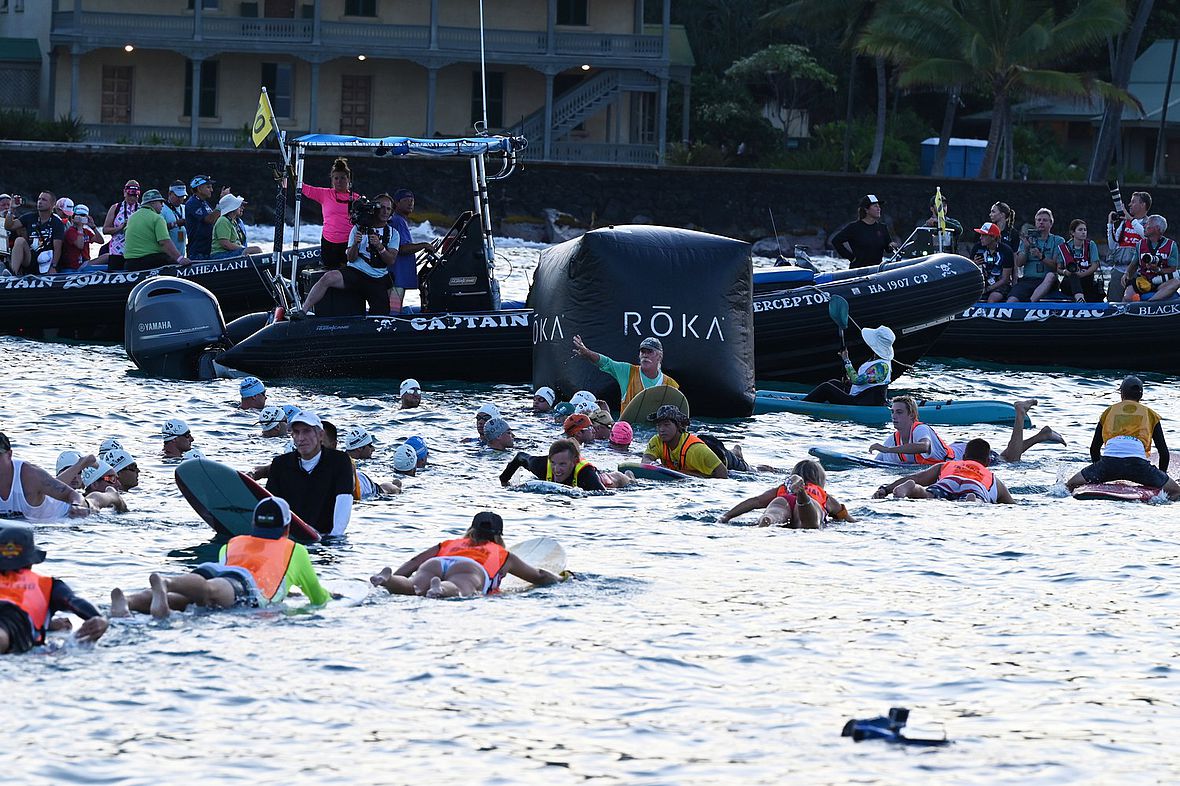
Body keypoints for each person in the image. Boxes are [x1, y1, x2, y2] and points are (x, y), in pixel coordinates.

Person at [110, 497, 332, 619]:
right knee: (210, 591)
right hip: (242, 584)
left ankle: (128, 602)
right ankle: (167, 582)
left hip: (212, 571)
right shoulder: (295, 550)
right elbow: (317, 597)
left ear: (254, 524)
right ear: (286, 528)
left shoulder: (234, 543)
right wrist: (335, 599)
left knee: (187, 597)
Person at [369, 511, 562, 598]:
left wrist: (399, 574)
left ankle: (388, 578)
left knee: (413, 587)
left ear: (471, 530)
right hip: (471, 569)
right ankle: (440, 589)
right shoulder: (502, 554)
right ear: (498, 536)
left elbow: (414, 562)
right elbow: (539, 576)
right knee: (459, 588)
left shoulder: (449, 543)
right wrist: (562, 579)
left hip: (437, 562)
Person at [0, 525, 109, 655]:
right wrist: (99, 619)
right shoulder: (48, 585)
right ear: (31, 561)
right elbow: (74, 602)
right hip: (12, 627)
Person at [1066, 376, 1180, 499]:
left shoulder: (1108, 412)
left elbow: (1094, 448)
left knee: (1069, 485)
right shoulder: (1150, 414)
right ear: (1141, 396)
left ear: (1122, 394)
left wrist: (1098, 473)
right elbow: (1163, 453)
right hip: (1139, 467)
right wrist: (1160, 478)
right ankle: (1159, 501)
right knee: (1176, 491)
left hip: (1108, 465)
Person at [295, 193, 397, 317]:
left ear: (391, 212)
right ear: (374, 208)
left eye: (388, 209)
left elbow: (391, 260)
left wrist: (379, 246)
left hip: (377, 278)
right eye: (381, 207)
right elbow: (351, 258)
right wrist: (355, 244)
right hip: (356, 272)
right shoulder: (357, 229)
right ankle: (303, 311)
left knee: (382, 314)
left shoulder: (393, 233)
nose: (385, 211)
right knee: (328, 277)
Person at [264, 411, 354, 536]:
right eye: (296, 432)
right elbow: (271, 504)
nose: (301, 438)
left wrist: (336, 537)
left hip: (326, 536)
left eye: (306, 431)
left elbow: (344, 499)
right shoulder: (280, 464)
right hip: (289, 536)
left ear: (321, 435)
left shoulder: (339, 461)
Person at [873, 438, 1016, 503]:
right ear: (987, 462)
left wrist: (886, 489)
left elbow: (918, 477)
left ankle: (913, 490)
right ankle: (972, 501)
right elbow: (1012, 505)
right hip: (975, 487)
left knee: (928, 494)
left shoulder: (948, 465)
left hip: (948, 482)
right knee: (977, 500)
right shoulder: (993, 478)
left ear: (964, 456)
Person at [719, 459, 853, 527]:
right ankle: (802, 497)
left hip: (784, 498)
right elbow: (846, 517)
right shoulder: (824, 495)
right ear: (821, 480)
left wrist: (727, 516)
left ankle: (768, 520)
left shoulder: (783, 488)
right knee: (809, 525)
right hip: (812, 503)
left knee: (773, 515)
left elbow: (755, 501)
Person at [572, 335, 680, 412]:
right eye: (643, 352)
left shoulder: (670, 384)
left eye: (650, 352)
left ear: (659, 356)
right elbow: (607, 363)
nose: (645, 355)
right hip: (629, 432)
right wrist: (587, 352)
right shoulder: (627, 372)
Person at [0, 432, 92, 520]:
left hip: (60, 514)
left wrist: (78, 506)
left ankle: (84, 463)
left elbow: (72, 494)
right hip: (33, 511)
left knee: (94, 502)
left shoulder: (30, 474)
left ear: (9, 455)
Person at [802, 325, 894, 406]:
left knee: (826, 387)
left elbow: (857, 380)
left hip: (859, 402)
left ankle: (802, 405)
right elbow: (868, 383)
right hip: (861, 396)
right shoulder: (878, 360)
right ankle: (809, 400)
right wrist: (849, 382)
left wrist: (846, 360)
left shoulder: (881, 367)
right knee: (833, 382)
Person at [501, 437, 633, 490]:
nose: (556, 469)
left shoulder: (586, 475)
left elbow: (605, 497)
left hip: (607, 480)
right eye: (553, 463)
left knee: (612, 482)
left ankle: (630, 477)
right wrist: (504, 481)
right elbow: (520, 457)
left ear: (574, 462)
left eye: (562, 464)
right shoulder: (541, 465)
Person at [301, 157, 360, 270]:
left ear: (348, 180)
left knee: (348, 272)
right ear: (332, 180)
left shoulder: (356, 198)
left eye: (343, 178)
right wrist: (290, 177)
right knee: (328, 272)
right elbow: (304, 188)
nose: (339, 181)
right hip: (329, 242)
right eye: (336, 178)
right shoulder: (325, 194)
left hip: (349, 242)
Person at [642, 405, 728, 478]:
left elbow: (723, 472)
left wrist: (693, 476)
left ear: (678, 426)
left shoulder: (695, 449)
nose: (661, 430)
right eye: (658, 425)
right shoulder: (657, 441)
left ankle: (736, 452)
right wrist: (655, 465)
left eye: (666, 424)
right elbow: (646, 459)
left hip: (724, 460)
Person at [388, 188, 435, 312]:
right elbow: (402, 249)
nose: (410, 203)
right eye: (406, 200)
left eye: (412, 201)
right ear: (396, 203)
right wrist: (424, 245)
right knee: (394, 312)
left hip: (397, 276)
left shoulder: (399, 220)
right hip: (397, 276)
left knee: (395, 308)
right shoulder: (398, 221)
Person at [871, 396, 955, 465]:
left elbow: (924, 446)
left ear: (911, 415)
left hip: (957, 456)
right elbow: (876, 463)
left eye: (899, 412)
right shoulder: (892, 440)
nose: (894, 416)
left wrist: (888, 450)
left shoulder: (921, 429)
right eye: (892, 412)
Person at [123, 189, 191, 271]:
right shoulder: (157, 218)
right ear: (152, 203)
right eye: (161, 202)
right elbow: (164, 242)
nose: (162, 206)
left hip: (129, 264)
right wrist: (180, 259)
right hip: (151, 262)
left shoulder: (132, 217)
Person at [1008, 207, 1063, 302]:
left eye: (1045, 220)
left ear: (1051, 223)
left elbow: (1056, 267)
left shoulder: (1058, 240)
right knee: (1011, 300)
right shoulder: (1028, 239)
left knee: (1051, 275)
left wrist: (1040, 256)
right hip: (1028, 280)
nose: (1041, 222)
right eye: (1039, 220)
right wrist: (1025, 248)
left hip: (1047, 280)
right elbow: (1019, 263)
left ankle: (1030, 304)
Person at [4, 190, 65, 275]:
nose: (40, 202)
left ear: (52, 205)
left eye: (44, 200)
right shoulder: (29, 217)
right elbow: (9, 226)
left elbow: (58, 248)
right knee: (19, 240)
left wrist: (53, 266)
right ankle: (13, 273)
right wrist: (11, 209)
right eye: (39, 199)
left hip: (47, 261)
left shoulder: (57, 223)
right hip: (30, 258)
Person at [830, 194, 898, 269]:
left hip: (876, 270)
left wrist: (892, 245)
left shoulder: (882, 227)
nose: (879, 209)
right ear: (866, 209)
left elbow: (887, 249)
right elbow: (836, 241)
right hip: (858, 270)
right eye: (875, 206)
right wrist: (851, 257)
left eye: (879, 206)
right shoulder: (854, 227)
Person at [1122, 215, 1179, 302]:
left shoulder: (1171, 245)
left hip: (1161, 282)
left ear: (1157, 228)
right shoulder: (1140, 244)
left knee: (1176, 282)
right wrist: (1126, 273)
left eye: (1148, 224)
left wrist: (1158, 270)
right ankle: (1122, 312)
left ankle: (1150, 302)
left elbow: (1173, 269)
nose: (1144, 226)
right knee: (1127, 296)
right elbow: (1134, 263)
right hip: (1143, 281)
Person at [1106, 190, 1150, 302]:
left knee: (1132, 299)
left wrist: (1131, 219)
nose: (1129, 205)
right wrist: (1110, 224)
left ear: (1143, 205)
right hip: (1119, 269)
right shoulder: (1124, 223)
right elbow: (1112, 245)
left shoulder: (1149, 224)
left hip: (1138, 271)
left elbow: (1145, 235)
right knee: (1113, 301)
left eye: (1133, 202)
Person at [341, 427, 401, 497]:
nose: (373, 449)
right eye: (370, 445)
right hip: (365, 484)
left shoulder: (339, 459)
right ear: (359, 448)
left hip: (360, 484)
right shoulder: (354, 467)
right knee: (388, 489)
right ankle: (396, 486)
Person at [184, 175, 231, 260]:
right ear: (199, 188)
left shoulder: (204, 203)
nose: (212, 190)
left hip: (208, 250)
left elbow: (216, 218)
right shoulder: (192, 203)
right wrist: (222, 202)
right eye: (208, 187)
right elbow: (209, 219)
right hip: (198, 252)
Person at [1055, 219, 1103, 302]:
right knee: (1073, 276)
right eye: (1080, 230)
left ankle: (1081, 299)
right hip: (1069, 282)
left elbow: (1095, 265)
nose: (1083, 232)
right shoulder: (1064, 248)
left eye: (1085, 230)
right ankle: (1080, 299)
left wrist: (1082, 274)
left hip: (1086, 280)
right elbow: (1058, 268)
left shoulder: (1091, 245)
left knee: (1081, 277)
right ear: (1073, 233)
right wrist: (1065, 272)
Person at [970, 222, 1015, 302]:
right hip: (981, 283)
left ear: (993, 237)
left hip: (1000, 285)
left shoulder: (1006, 251)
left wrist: (987, 289)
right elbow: (969, 268)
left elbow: (1005, 279)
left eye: (984, 235)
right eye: (981, 235)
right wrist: (974, 263)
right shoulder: (977, 247)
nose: (981, 238)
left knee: (993, 298)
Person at [102, 179, 141, 270]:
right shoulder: (116, 208)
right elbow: (105, 230)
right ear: (124, 193)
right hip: (117, 252)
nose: (132, 198)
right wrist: (120, 227)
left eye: (135, 195)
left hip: (135, 252)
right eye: (130, 195)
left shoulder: (141, 209)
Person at [209, 193, 261, 259]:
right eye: (239, 206)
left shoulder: (233, 221)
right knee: (255, 249)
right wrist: (244, 249)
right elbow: (225, 244)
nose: (242, 207)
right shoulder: (223, 220)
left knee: (255, 250)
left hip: (229, 252)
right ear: (232, 208)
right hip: (220, 255)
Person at [60, 204, 104, 273]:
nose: (81, 218)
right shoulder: (70, 231)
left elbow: (100, 241)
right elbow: (80, 246)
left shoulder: (86, 231)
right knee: (106, 257)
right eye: (79, 215)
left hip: (85, 263)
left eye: (84, 216)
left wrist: (93, 227)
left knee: (107, 256)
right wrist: (79, 227)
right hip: (76, 266)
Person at [161, 180, 188, 258]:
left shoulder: (185, 208)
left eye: (183, 196)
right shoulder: (162, 209)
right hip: (167, 256)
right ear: (170, 194)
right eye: (178, 196)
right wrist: (176, 224)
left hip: (182, 254)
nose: (180, 199)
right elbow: (158, 229)